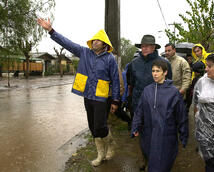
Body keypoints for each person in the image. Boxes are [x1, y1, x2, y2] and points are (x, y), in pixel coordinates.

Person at [37, 18, 120, 167]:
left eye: (98, 40)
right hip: (87, 95)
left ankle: (111, 143)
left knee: (100, 126)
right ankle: (100, 154)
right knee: (92, 127)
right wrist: (51, 30)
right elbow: (66, 43)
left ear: (104, 44)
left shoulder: (110, 59)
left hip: (101, 97)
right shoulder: (84, 52)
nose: (94, 42)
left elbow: (115, 80)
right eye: (93, 40)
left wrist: (115, 101)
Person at [131, 60, 189, 172]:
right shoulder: (147, 90)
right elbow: (140, 111)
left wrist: (183, 135)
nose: (155, 74)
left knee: (161, 165)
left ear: (165, 72)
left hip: (166, 136)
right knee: (152, 161)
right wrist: (135, 127)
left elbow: (181, 115)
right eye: (153, 71)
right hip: (148, 135)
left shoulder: (173, 92)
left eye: (158, 71)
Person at [128, 34, 172, 170]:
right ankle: (144, 157)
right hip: (138, 105)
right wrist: (130, 103)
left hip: (158, 106)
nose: (144, 48)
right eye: (142, 46)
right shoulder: (133, 64)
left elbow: (169, 85)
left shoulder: (164, 63)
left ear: (154, 47)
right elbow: (131, 84)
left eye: (147, 46)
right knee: (141, 134)